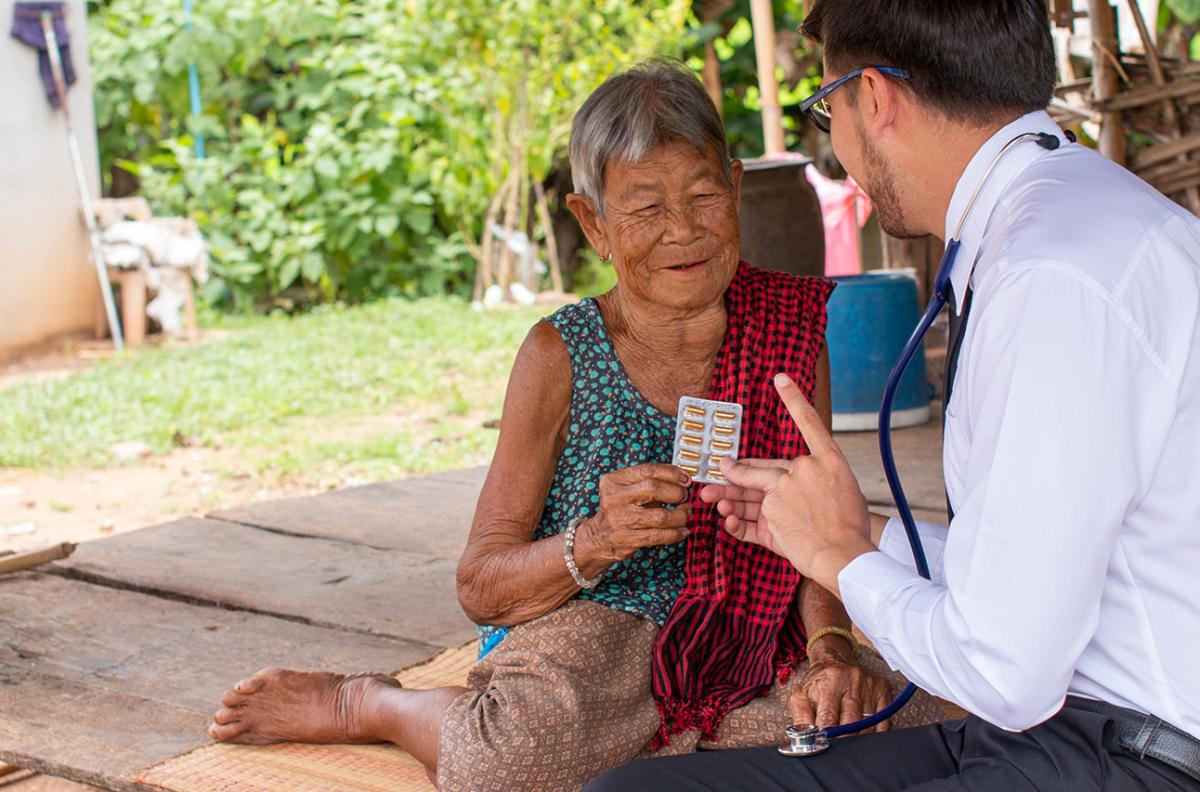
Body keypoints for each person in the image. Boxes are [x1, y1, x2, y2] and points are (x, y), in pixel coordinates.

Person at [205, 60, 940, 791]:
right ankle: (381, 704)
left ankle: (664, 744)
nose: (682, 231)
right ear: (594, 223)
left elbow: (819, 528)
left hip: (754, 631)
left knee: (915, 718)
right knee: (511, 761)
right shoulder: (559, 354)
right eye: (646, 209)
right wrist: (597, 540)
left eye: (703, 195)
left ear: (738, 187)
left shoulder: (789, 327)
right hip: (595, 631)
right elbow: (481, 584)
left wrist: (832, 649)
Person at [586, 2, 1200, 791]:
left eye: (826, 110)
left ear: (871, 98)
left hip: (1128, 759)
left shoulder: (1053, 276)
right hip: (1064, 734)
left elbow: (1005, 672)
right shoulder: (1068, 219)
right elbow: (1027, 570)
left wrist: (837, 559)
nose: (837, 148)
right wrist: (861, 532)